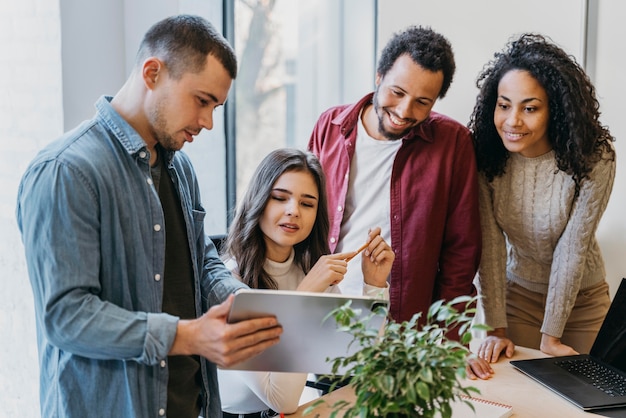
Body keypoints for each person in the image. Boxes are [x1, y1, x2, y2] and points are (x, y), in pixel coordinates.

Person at [16, 15, 283, 418]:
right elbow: (66, 316)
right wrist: (187, 335)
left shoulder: (181, 169)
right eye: (202, 100)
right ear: (153, 72)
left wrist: (242, 301)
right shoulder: (66, 171)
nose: (208, 122)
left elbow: (201, 262)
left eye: (216, 106)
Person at [307, 26, 487, 377]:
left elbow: (461, 253)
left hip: (403, 330)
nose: (405, 111)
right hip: (324, 315)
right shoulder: (329, 126)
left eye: (423, 102)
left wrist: (451, 340)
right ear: (379, 76)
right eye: (397, 92)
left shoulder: (453, 143)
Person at [468, 33, 616, 364]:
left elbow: (572, 247)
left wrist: (551, 338)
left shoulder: (594, 158)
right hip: (519, 297)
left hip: (583, 300)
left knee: (593, 402)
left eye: (530, 108)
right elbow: (490, 247)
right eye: (504, 105)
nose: (512, 121)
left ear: (556, 110)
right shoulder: (486, 156)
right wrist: (496, 329)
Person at [217, 148, 394, 416]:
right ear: (258, 200)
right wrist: (305, 294)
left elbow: (365, 362)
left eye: (307, 203)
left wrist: (375, 286)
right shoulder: (230, 281)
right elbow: (281, 399)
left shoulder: (312, 270)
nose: (293, 211)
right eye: (280, 198)